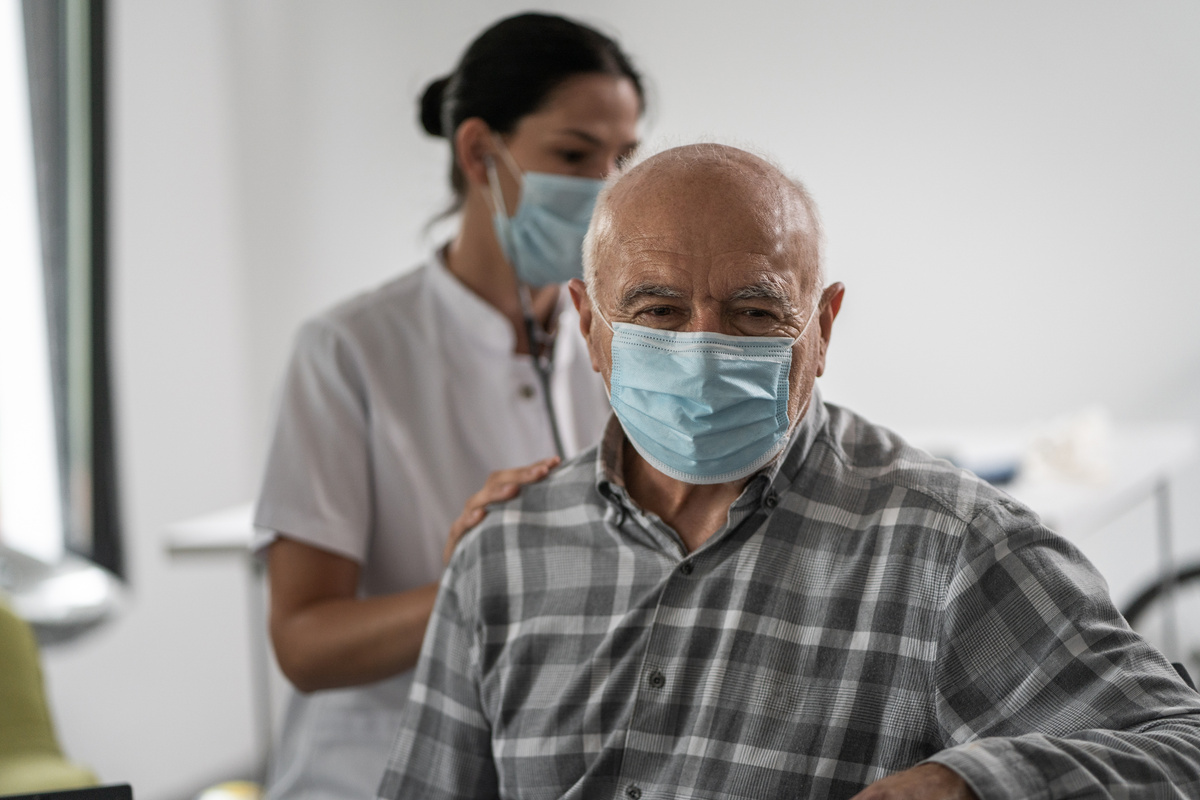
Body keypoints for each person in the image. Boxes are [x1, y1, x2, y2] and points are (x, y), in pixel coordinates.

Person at [378, 143, 1200, 800]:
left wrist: (973, 783)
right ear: (591, 326)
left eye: (756, 312)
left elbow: (1180, 749)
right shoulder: (506, 552)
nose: (705, 346)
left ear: (824, 326)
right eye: (658, 310)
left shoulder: (947, 549)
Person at [252, 13, 643, 799]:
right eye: (573, 155)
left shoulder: (630, 345)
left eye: (624, 160)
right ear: (478, 153)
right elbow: (305, 642)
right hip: (373, 770)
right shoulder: (350, 350)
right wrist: (494, 581)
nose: (607, 190)